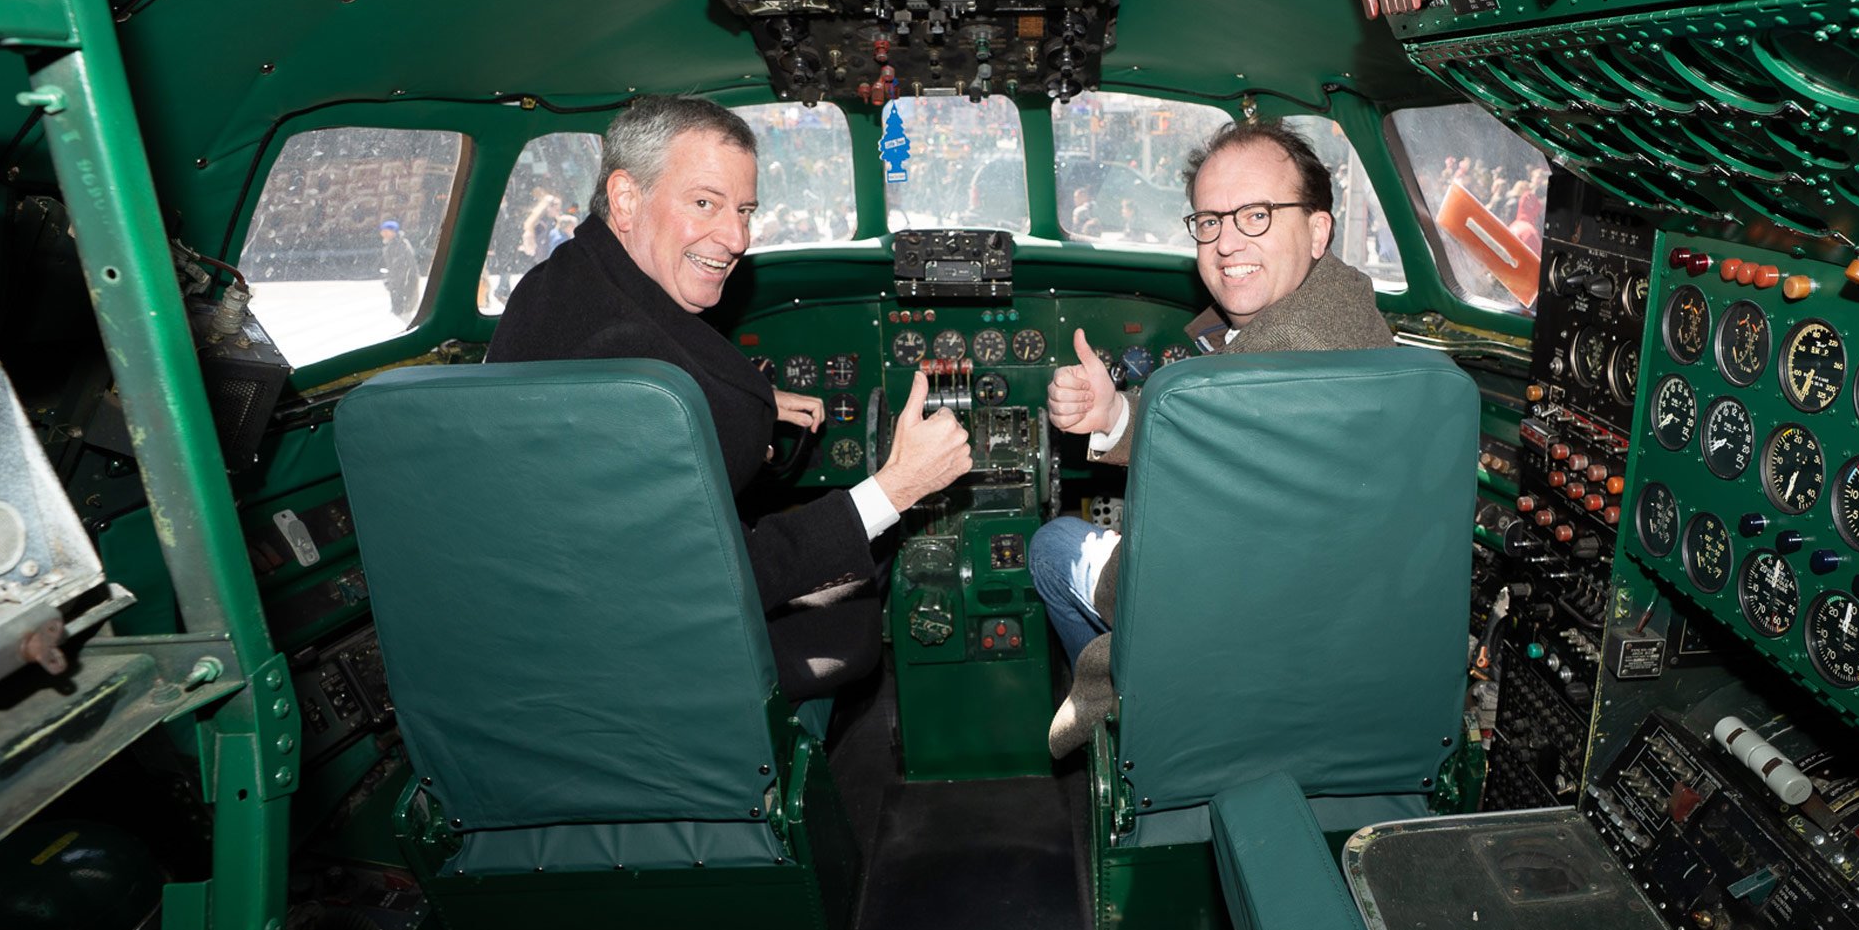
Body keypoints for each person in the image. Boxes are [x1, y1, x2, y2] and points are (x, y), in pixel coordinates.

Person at [489, 95, 972, 697]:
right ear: (625, 198)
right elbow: (715, 578)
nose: (736, 237)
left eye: (745, 210)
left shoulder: (560, 284)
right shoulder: (624, 370)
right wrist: (896, 486)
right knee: (862, 583)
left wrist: (753, 397)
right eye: (704, 204)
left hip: (562, 617)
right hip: (640, 661)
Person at [1031, 120, 1394, 755]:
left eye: (1255, 215)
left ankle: (1117, 741)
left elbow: (1173, 565)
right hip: (1346, 630)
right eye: (1210, 221)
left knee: (1053, 545)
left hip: (1227, 636)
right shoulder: (1348, 313)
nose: (1227, 242)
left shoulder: (1268, 368)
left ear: (1318, 229)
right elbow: (1219, 433)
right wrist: (1115, 412)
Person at [378, 219, 421, 319]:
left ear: (393, 232)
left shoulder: (400, 245)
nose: (383, 233)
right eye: (382, 231)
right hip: (398, 284)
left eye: (386, 231)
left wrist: (395, 283)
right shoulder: (391, 245)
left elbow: (403, 267)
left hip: (404, 284)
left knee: (404, 314)